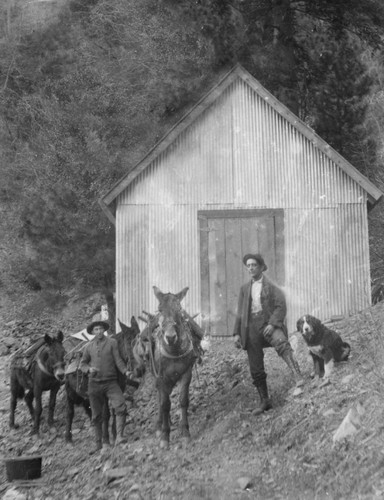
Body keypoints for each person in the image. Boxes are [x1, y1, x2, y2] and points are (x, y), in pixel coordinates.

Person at [233, 253, 304, 415]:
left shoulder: (271, 285)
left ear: (261, 267)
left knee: (282, 343)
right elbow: (240, 313)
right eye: (248, 265)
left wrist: (273, 324)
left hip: (268, 324)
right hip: (251, 329)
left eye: (254, 265)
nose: (251, 268)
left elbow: (281, 306)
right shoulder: (244, 289)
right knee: (255, 365)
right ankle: (264, 400)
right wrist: (236, 333)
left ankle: (298, 377)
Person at [80, 320, 131, 453]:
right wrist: (89, 369)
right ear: (92, 332)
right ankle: (101, 443)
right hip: (94, 384)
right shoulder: (88, 347)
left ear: (104, 330)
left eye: (101, 329)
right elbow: (82, 364)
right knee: (97, 415)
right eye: (96, 330)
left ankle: (119, 436)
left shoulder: (112, 343)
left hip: (111, 383)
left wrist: (126, 371)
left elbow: (118, 360)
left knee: (120, 406)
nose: (99, 332)